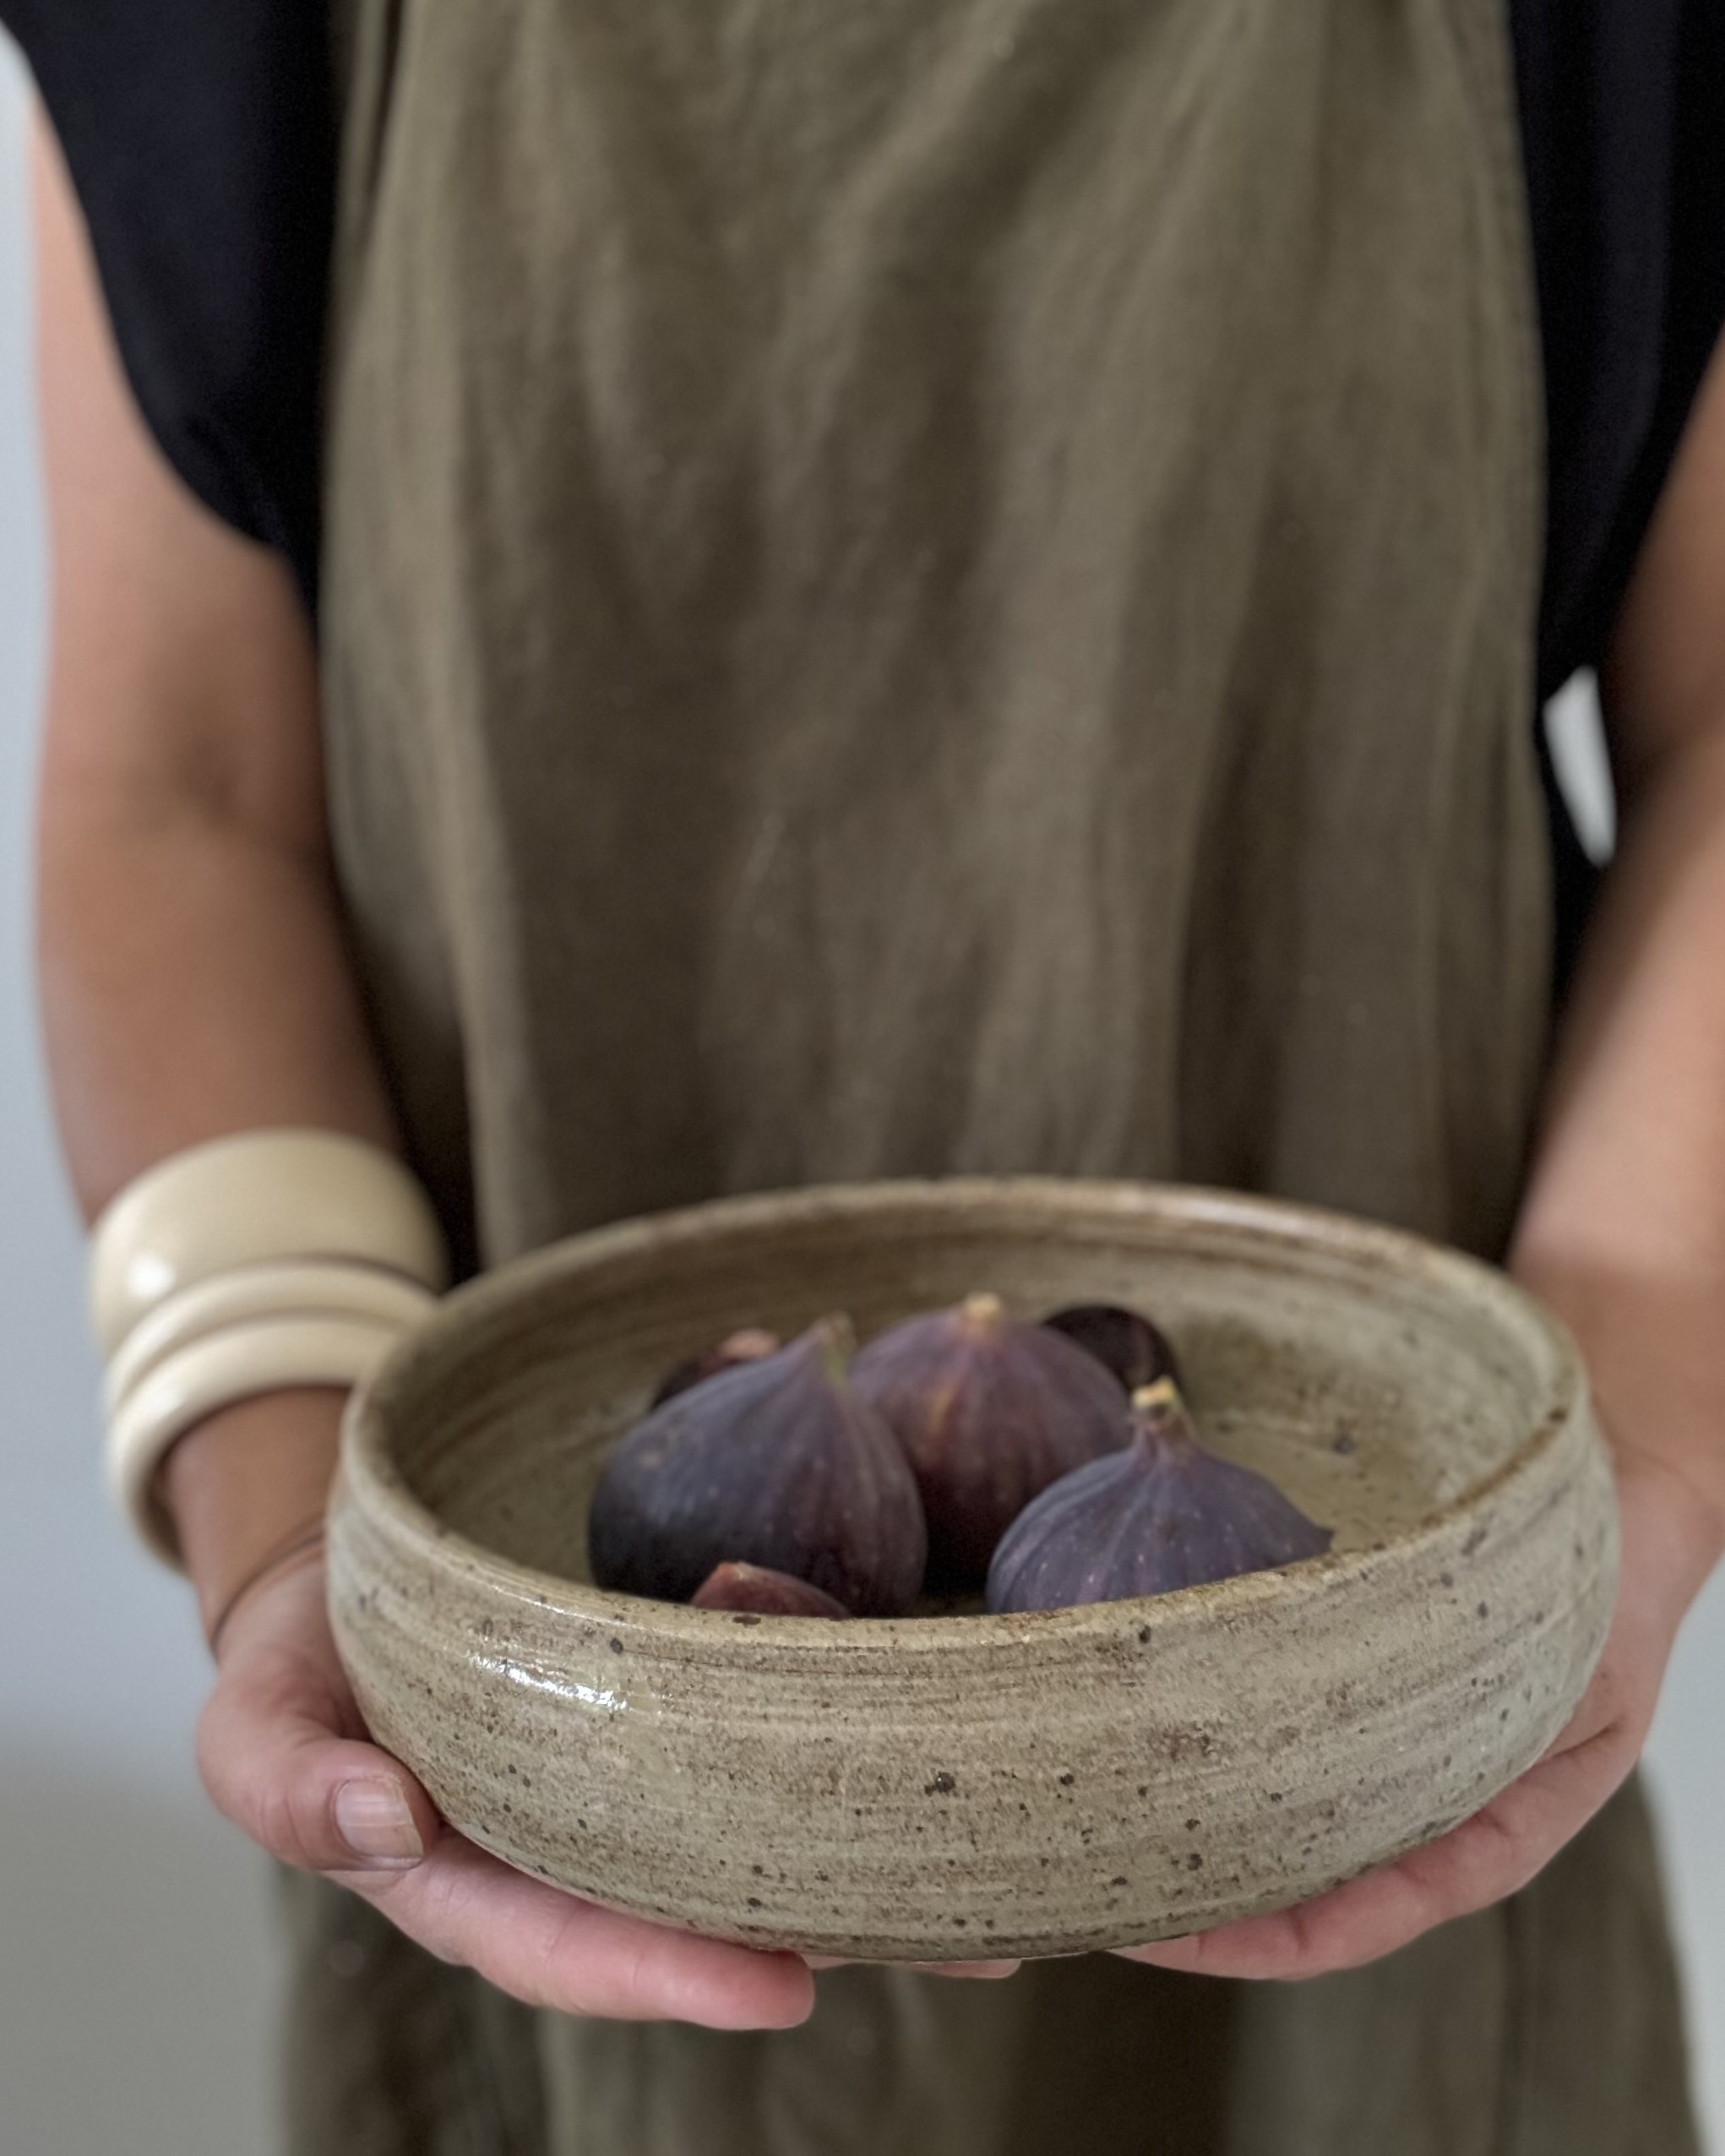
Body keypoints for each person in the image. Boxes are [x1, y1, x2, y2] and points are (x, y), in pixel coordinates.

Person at [8, 1, 1725, 2149]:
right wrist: (300, 1541)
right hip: (526, 1771)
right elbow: (183, 797)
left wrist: (1620, 1455)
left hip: (1389, 1747)